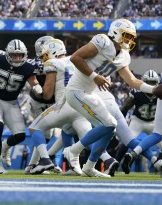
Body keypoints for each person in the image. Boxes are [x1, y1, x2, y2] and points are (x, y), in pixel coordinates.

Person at [62, 19, 157, 178]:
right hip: (76, 91)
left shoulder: (124, 56)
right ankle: (73, 150)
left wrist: (154, 89)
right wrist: (95, 76)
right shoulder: (103, 41)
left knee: (111, 127)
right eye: (126, 36)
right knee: (110, 123)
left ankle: (89, 167)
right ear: (116, 32)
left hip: (89, 93)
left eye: (131, 37)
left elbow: (132, 81)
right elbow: (76, 58)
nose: (129, 40)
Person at [25, 38, 90, 174]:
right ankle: (105, 160)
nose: (44, 58)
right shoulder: (74, 59)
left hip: (63, 104)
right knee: (79, 135)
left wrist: (39, 91)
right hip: (81, 104)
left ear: (52, 51)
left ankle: (44, 160)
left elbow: (47, 95)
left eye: (45, 54)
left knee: (35, 127)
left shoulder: (53, 62)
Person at [0, 39, 41, 174]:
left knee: (20, 136)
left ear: (24, 55)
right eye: (14, 55)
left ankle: (5, 146)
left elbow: (33, 79)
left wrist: (36, 86)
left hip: (11, 103)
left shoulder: (28, 66)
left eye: (20, 55)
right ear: (8, 54)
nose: (17, 58)